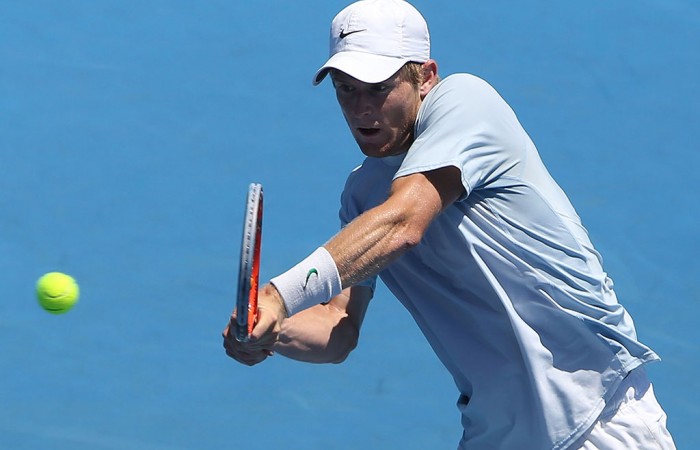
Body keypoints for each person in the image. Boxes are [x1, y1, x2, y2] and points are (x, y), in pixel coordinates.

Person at [222, 0, 676, 448]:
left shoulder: (467, 102)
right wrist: (269, 326)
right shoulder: (361, 198)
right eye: (346, 88)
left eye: (378, 87)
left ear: (426, 76)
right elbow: (338, 329)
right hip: (496, 437)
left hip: (601, 418)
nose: (361, 108)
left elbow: (404, 222)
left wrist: (280, 295)